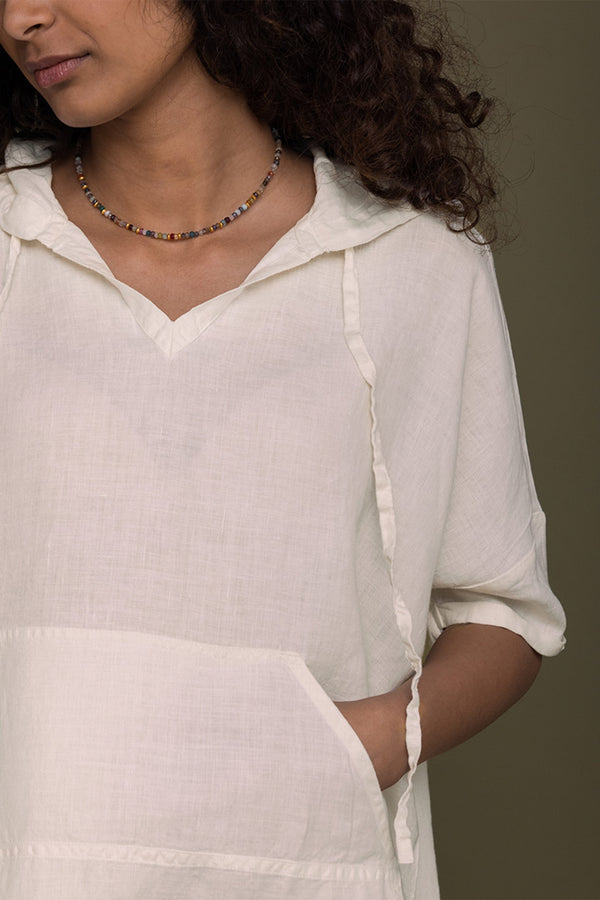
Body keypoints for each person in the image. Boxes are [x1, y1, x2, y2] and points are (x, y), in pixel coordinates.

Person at [0, 1, 566, 898]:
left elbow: (504, 609)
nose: (21, 17)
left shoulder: (407, 260)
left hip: (300, 866)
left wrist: (351, 749)